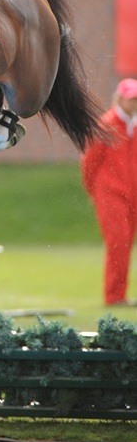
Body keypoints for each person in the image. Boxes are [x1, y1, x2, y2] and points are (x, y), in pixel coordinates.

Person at [81, 79, 137, 306]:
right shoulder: (106, 125)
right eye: (131, 98)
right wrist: (95, 192)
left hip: (132, 194)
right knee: (118, 243)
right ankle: (114, 296)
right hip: (111, 194)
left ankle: (120, 294)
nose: (134, 102)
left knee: (126, 243)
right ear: (120, 98)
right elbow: (89, 163)